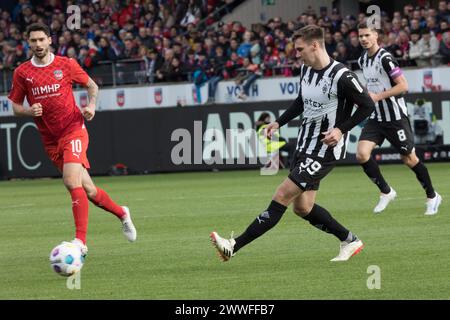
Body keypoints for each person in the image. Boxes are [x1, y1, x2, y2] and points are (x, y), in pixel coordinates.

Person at [210, 25, 375, 262]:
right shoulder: (306, 70)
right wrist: (278, 122)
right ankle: (350, 240)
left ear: (315, 45)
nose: (296, 54)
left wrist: (340, 129)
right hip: (304, 146)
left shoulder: (342, 76)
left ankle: (233, 246)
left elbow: (368, 105)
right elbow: (301, 101)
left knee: (281, 194)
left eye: (300, 49)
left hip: (324, 151)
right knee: (303, 208)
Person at [7, 23, 137, 260]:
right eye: (33, 41)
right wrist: (28, 111)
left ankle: (81, 243)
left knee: (70, 181)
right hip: (50, 139)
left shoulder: (65, 65)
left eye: (41, 40)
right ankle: (122, 213)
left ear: (49, 40)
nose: (37, 45)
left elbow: (92, 85)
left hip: (73, 130)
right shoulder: (22, 72)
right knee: (88, 189)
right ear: (28, 43)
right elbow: (14, 107)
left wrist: (91, 105)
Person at [357, 23, 441, 215]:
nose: (363, 39)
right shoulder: (362, 60)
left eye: (366, 35)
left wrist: (377, 96)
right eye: (360, 36)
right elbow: (370, 86)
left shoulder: (385, 58)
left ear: (376, 36)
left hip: (395, 117)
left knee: (409, 158)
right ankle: (386, 192)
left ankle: (432, 195)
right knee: (362, 154)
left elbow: (403, 86)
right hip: (377, 117)